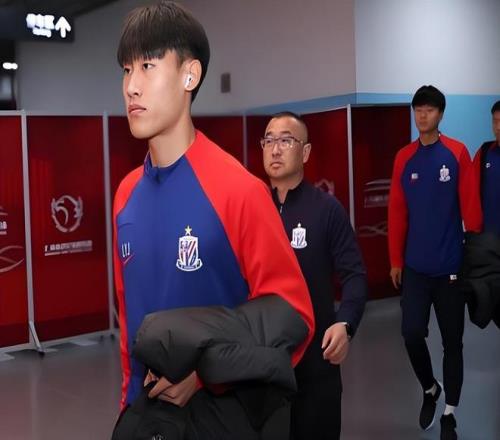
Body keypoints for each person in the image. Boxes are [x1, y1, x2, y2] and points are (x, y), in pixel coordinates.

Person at [112, 1, 314, 436]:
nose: (131, 86)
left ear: (190, 75)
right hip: (147, 415)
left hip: (221, 417)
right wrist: (128, 404)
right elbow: (129, 320)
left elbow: (294, 314)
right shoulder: (125, 196)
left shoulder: (238, 190)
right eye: (127, 70)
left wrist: (204, 372)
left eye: (147, 66)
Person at [261, 111, 367, 440]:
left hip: (315, 359)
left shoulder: (326, 209)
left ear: (305, 152)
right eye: (269, 140)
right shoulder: (251, 209)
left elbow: (354, 275)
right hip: (261, 362)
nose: (275, 149)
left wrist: (345, 323)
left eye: (286, 140)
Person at [388, 85, 482, 440]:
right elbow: (397, 213)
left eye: (428, 110)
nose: (422, 116)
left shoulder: (457, 153)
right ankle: (430, 387)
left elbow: (471, 212)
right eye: (418, 110)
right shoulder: (404, 157)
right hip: (415, 268)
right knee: (411, 333)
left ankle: (450, 414)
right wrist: (395, 260)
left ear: (440, 114)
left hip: (450, 269)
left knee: (452, 342)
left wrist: (478, 264)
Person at [471, 100, 500, 236]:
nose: (498, 127)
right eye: (495, 121)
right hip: (487, 236)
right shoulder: (484, 151)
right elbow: (472, 190)